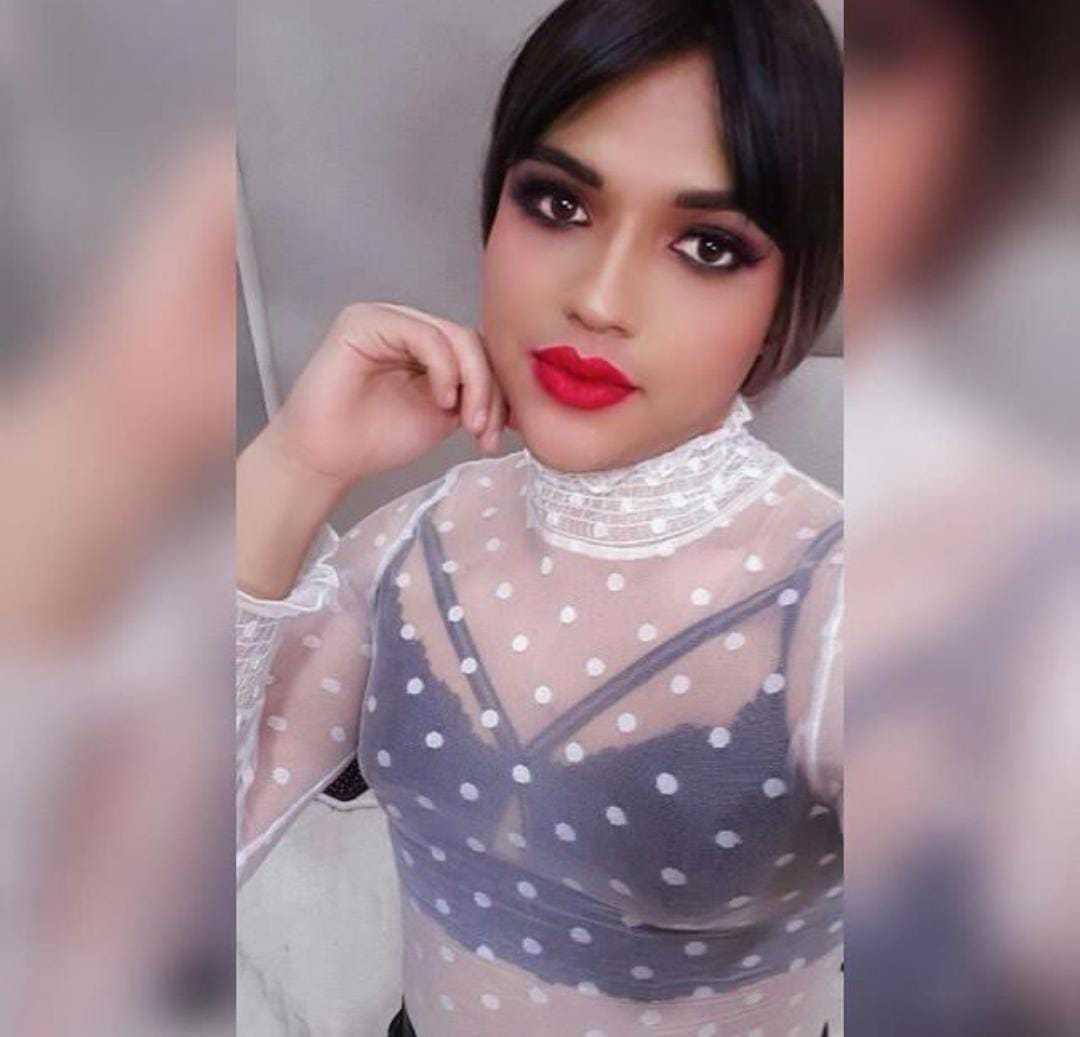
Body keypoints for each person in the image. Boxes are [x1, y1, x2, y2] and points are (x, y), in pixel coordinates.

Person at [236, 1, 843, 1034]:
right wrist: (294, 465)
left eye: (706, 245)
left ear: (786, 303)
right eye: (559, 203)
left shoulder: (836, 604)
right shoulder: (409, 548)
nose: (599, 299)